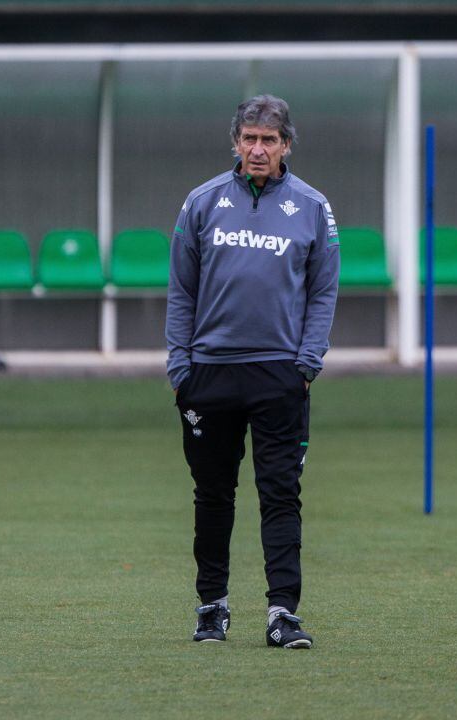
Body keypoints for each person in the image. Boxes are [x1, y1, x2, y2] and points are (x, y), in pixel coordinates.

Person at [166, 94, 339, 646]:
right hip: (210, 374)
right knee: (213, 496)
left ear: (287, 144)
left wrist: (306, 364)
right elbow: (180, 292)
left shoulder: (312, 207)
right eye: (249, 138)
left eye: (268, 140)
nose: (257, 149)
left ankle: (282, 613)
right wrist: (180, 368)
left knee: (281, 495)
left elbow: (323, 291)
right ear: (235, 142)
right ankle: (211, 606)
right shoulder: (201, 202)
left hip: (279, 375)